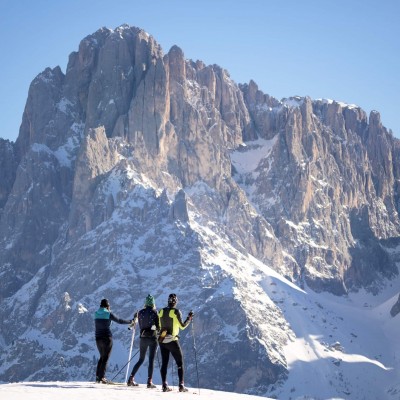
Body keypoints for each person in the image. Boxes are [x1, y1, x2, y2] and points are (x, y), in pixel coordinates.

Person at [158, 293, 193, 392]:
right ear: (176, 302)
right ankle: (181, 385)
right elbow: (182, 326)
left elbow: (159, 327)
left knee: (164, 363)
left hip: (162, 340)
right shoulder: (176, 312)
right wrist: (189, 318)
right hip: (173, 340)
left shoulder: (160, 311)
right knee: (180, 363)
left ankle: (164, 385)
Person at [94, 298, 134, 383]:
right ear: (107, 306)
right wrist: (131, 321)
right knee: (106, 358)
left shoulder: (96, 313)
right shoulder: (108, 313)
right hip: (107, 338)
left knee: (101, 357)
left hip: (98, 338)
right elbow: (120, 321)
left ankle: (98, 377)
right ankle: (102, 377)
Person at [127, 294, 160, 388]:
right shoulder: (155, 312)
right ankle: (149, 382)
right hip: (153, 338)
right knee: (151, 360)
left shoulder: (140, 312)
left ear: (145, 303)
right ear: (153, 303)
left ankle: (131, 378)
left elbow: (137, 323)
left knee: (141, 359)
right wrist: (155, 329)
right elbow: (158, 327)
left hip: (143, 338)